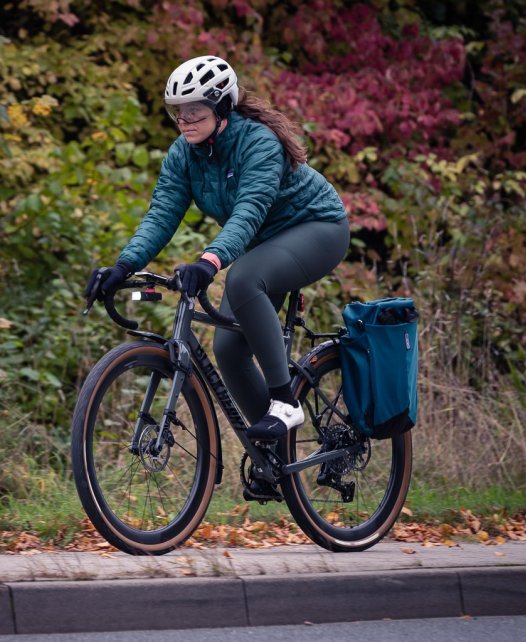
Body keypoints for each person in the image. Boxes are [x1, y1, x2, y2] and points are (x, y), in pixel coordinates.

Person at [85, 55, 349, 448]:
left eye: (195, 111)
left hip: (317, 229)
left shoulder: (258, 143)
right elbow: (161, 215)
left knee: (243, 278)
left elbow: (248, 212)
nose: (185, 121)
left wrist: (209, 261)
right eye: (179, 113)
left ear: (222, 107)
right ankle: (271, 454)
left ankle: (284, 402)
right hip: (265, 242)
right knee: (228, 348)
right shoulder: (184, 153)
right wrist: (124, 265)